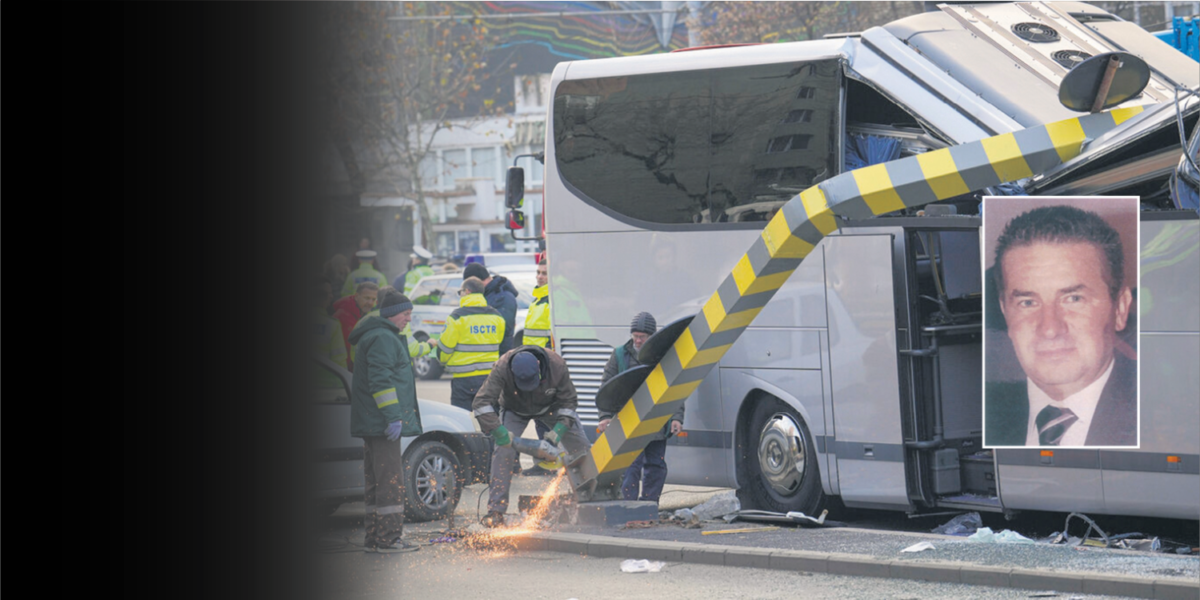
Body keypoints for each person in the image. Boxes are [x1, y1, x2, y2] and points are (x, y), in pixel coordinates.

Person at [985, 204, 1136, 447]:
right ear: (1005, 312)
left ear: (1119, 308)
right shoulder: (988, 411)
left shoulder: (1161, 411)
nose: (1050, 329)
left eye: (1073, 299)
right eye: (1028, 302)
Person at [472, 345, 591, 527]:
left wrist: (558, 431)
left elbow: (569, 401)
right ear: (513, 372)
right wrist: (498, 431)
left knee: (582, 448)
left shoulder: (556, 365)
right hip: (515, 410)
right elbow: (481, 403)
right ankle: (496, 511)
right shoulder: (502, 367)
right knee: (503, 453)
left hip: (551, 407)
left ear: (538, 365)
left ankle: (594, 499)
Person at [347, 289, 424, 553]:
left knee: (376, 481)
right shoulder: (383, 338)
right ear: (391, 315)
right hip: (381, 423)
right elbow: (381, 382)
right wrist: (393, 417)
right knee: (390, 480)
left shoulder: (378, 334)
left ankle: (374, 538)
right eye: (405, 314)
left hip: (372, 421)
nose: (408, 319)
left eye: (410, 314)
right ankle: (389, 539)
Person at [597, 312, 684, 503]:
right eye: (635, 336)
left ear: (651, 336)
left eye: (642, 337)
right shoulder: (619, 355)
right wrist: (605, 416)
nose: (637, 340)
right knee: (630, 465)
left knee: (655, 465)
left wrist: (677, 418)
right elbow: (607, 386)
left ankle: (650, 504)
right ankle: (629, 505)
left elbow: (675, 389)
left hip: (657, 420)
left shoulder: (664, 356)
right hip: (628, 421)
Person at [438, 277, 506, 412]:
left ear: (467, 291)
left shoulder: (457, 317)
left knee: (463, 422)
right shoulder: (497, 317)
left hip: (463, 379)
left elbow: (444, 350)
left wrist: (442, 361)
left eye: (460, 292)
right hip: (490, 377)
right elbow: (499, 342)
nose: (460, 295)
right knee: (490, 421)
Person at [518, 257, 556, 476]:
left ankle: (550, 464)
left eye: (544, 273)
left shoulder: (551, 302)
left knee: (548, 418)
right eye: (539, 272)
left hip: (546, 370)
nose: (540, 276)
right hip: (535, 369)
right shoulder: (537, 301)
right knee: (540, 418)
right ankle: (544, 463)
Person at [349, 286, 434, 369]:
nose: (409, 319)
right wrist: (429, 345)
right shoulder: (398, 322)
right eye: (406, 314)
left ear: (377, 302)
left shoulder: (365, 320)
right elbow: (412, 350)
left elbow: (354, 352)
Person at [463, 262, 519, 355]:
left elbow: (502, 328)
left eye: (470, 286)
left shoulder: (503, 297)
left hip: (499, 354)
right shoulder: (488, 294)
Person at [332, 282, 378, 369]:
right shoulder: (342, 317)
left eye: (373, 299)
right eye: (367, 298)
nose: (370, 303)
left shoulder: (364, 315)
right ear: (356, 296)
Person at [314, 277, 348, 388]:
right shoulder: (331, 325)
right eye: (327, 293)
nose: (332, 296)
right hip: (325, 390)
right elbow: (339, 364)